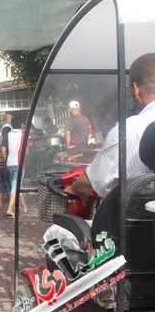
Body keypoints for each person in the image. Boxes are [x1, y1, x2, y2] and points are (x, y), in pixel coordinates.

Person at [65, 54, 155, 202]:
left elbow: (90, 180)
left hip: (133, 223)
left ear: (136, 88)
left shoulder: (127, 132)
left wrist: (73, 189)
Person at [4, 114, 28, 218]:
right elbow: (26, 152)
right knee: (15, 185)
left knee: (17, 185)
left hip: (10, 163)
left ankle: (24, 207)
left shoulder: (7, 135)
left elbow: (3, 150)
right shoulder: (23, 135)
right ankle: (10, 209)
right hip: (19, 163)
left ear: (12, 124)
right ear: (22, 124)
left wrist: (7, 161)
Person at [0, 112, 13, 210]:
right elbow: (5, 152)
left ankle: (0, 203)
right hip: (6, 166)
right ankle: (11, 205)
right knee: (9, 185)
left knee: (0, 185)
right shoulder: (7, 143)